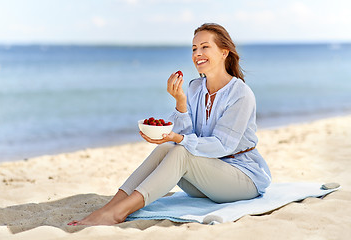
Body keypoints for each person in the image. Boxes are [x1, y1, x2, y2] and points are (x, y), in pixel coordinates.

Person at [68, 23, 272, 226]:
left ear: (224, 52)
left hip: (242, 179)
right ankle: (109, 208)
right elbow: (188, 136)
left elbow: (221, 145)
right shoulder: (194, 88)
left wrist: (178, 138)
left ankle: (119, 212)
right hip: (207, 180)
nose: (197, 53)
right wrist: (180, 103)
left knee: (180, 150)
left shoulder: (240, 93)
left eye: (204, 47)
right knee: (168, 147)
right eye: (194, 48)